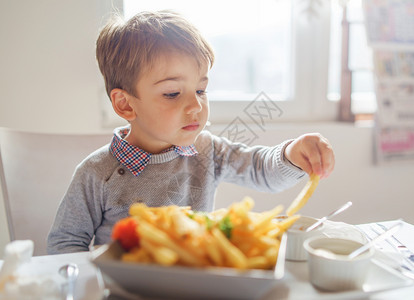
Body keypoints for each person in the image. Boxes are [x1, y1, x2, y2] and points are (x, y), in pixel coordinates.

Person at [47, 11, 335, 254]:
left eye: (201, 89)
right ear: (125, 104)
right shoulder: (97, 173)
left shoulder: (207, 150)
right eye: (172, 93)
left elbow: (261, 169)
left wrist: (291, 155)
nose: (196, 105)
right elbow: (65, 243)